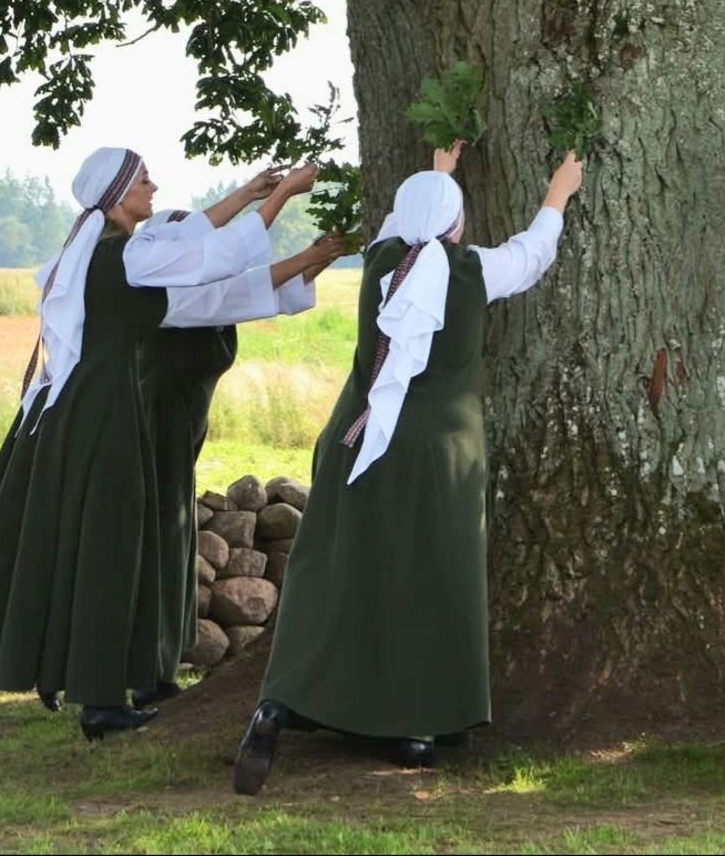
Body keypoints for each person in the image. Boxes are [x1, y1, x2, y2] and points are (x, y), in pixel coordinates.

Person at [0, 149, 315, 753]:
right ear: (119, 193)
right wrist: (281, 196)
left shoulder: (101, 252)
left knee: (21, 547)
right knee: (107, 544)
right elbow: (208, 252)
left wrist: (250, 191)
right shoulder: (126, 256)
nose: (154, 187)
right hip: (99, 415)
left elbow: (195, 243)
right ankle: (98, 702)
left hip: (61, 414)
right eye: (145, 180)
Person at [232, 142, 585, 794]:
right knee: (425, 579)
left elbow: (407, 223)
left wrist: (437, 175)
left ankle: (278, 704)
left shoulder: (380, 263)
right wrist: (558, 191)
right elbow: (534, 252)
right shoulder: (472, 269)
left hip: (355, 442)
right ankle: (415, 727)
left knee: (338, 574)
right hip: (436, 450)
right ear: (455, 224)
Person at [133, 204, 350, 708]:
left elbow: (263, 295)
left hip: (182, 418)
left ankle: (160, 663)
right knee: (160, 536)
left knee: (175, 534)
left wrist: (323, 257)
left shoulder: (202, 293)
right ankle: (145, 669)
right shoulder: (172, 295)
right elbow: (243, 291)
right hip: (158, 417)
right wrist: (309, 253)